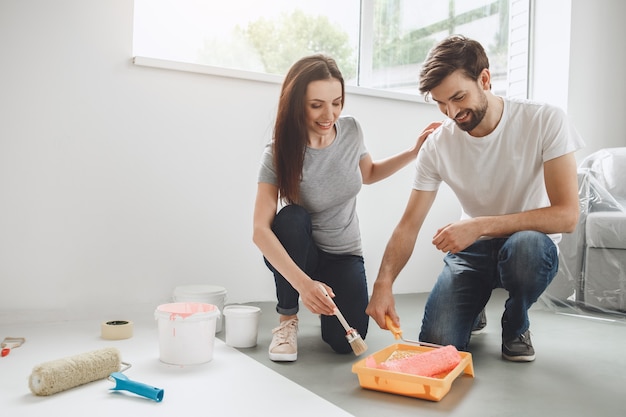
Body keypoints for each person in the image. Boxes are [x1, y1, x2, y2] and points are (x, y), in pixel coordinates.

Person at [366, 35, 585, 362]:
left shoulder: (544, 120)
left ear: (484, 79)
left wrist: (480, 225)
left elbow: (567, 216)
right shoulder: (437, 145)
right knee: (437, 345)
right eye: (441, 103)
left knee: (526, 250)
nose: (452, 113)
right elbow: (409, 225)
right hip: (472, 252)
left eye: (458, 97)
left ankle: (517, 321)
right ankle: (474, 302)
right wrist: (383, 284)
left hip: (528, 244)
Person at [252, 54, 441, 361]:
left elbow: (369, 174)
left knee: (345, 342)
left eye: (337, 102)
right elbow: (260, 231)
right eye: (317, 105)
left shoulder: (351, 130)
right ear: (296, 103)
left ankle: (328, 315)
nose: (330, 114)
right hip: (302, 254)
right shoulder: (277, 152)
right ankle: (287, 320)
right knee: (290, 219)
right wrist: (304, 285)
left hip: (343, 253)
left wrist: (414, 151)